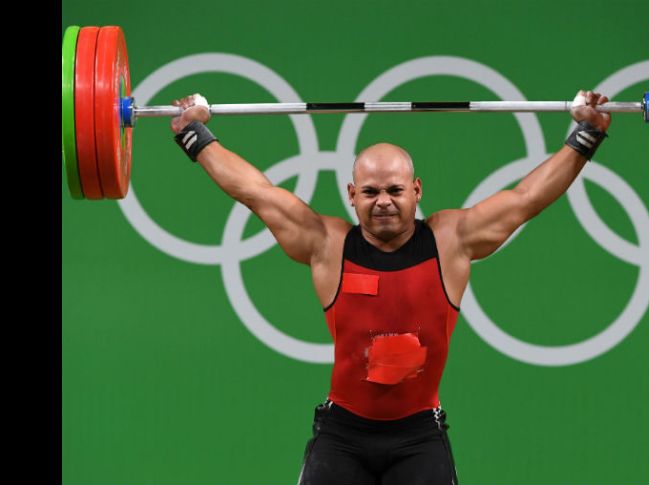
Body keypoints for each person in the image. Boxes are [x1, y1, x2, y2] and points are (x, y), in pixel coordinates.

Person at [170, 90, 611, 485]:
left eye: (396, 190)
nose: (383, 200)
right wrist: (196, 136)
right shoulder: (328, 245)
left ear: (417, 190)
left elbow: (525, 199)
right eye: (371, 190)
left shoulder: (450, 241)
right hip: (342, 435)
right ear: (352, 194)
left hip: (418, 437)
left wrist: (585, 137)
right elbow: (256, 192)